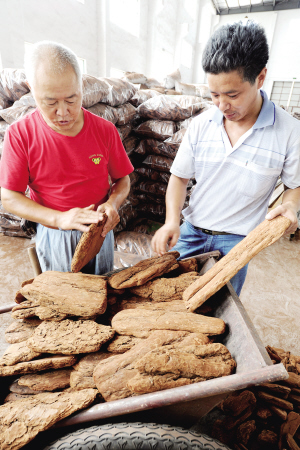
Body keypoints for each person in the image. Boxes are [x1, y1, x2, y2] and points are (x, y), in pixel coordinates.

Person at [152, 20, 300, 296]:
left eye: (232, 95)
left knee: (218, 306)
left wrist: (291, 207)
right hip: (191, 232)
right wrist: (172, 220)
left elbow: (294, 186)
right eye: (214, 95)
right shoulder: (201, 124)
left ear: (260, 77)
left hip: (237, 242)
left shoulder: (290, 131)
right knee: (169, 297)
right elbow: (179, 177)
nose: (222, 105)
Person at [0, 41, 134, 274]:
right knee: (64, 304)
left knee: (104, 296)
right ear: (32, 88)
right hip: (55, 234)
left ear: (81, 86)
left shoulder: (104, 130)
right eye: (50, 102)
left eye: (71, 100)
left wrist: (112, 204)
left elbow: (123, 180)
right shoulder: (20, 134)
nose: (63, 112)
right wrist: (59, 219)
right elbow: (10, 197)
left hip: (99, 230)